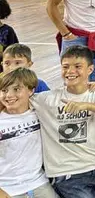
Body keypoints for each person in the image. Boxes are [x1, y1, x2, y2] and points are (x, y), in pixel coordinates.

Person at [31, 46, 95, 198]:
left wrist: (86, 105)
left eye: (77, 67)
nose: (70, 71)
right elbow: (11, 96)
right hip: (67, 174)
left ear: (90, 69)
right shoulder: (47, 99)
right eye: (65, 67)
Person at [0, 68, 59, 198]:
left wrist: (90, 86)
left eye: (16, 89)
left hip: (39, 183)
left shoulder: (41, 113)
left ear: (31, 91)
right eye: (4, 90)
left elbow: (67, 97)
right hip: (7, 189)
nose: (8, 95)